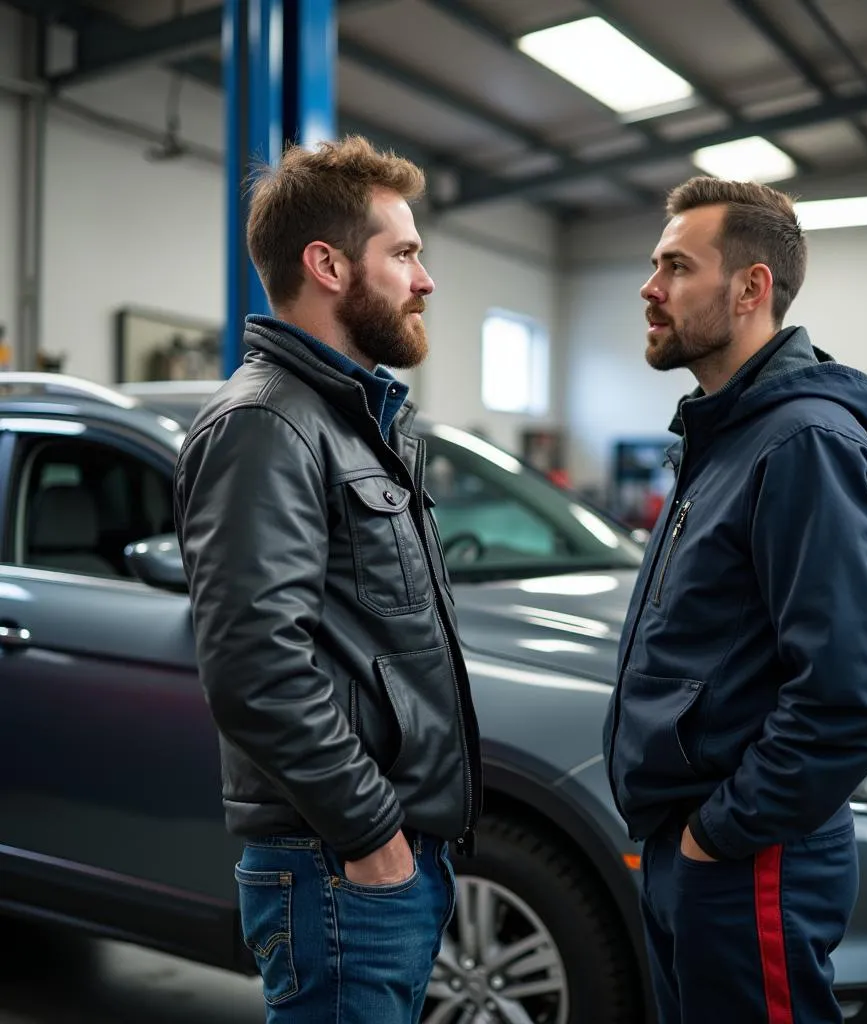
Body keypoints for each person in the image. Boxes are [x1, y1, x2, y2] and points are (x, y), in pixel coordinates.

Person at [173, 136, 481, 1023]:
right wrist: (372, 833)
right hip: (338, 862)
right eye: (406, 253)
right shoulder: (266, 425)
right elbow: (255, 667)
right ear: (329, 265)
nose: (425, 280)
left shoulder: (352, 420)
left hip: (374, 858)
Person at [603, 177, 867, 1023]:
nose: (649, 288)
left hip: (748, 858)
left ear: (750, 288)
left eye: (674, 266)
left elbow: (845, 700)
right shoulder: (723, 434)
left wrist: (720, 836)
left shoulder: (805, 444)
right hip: (692, 849)